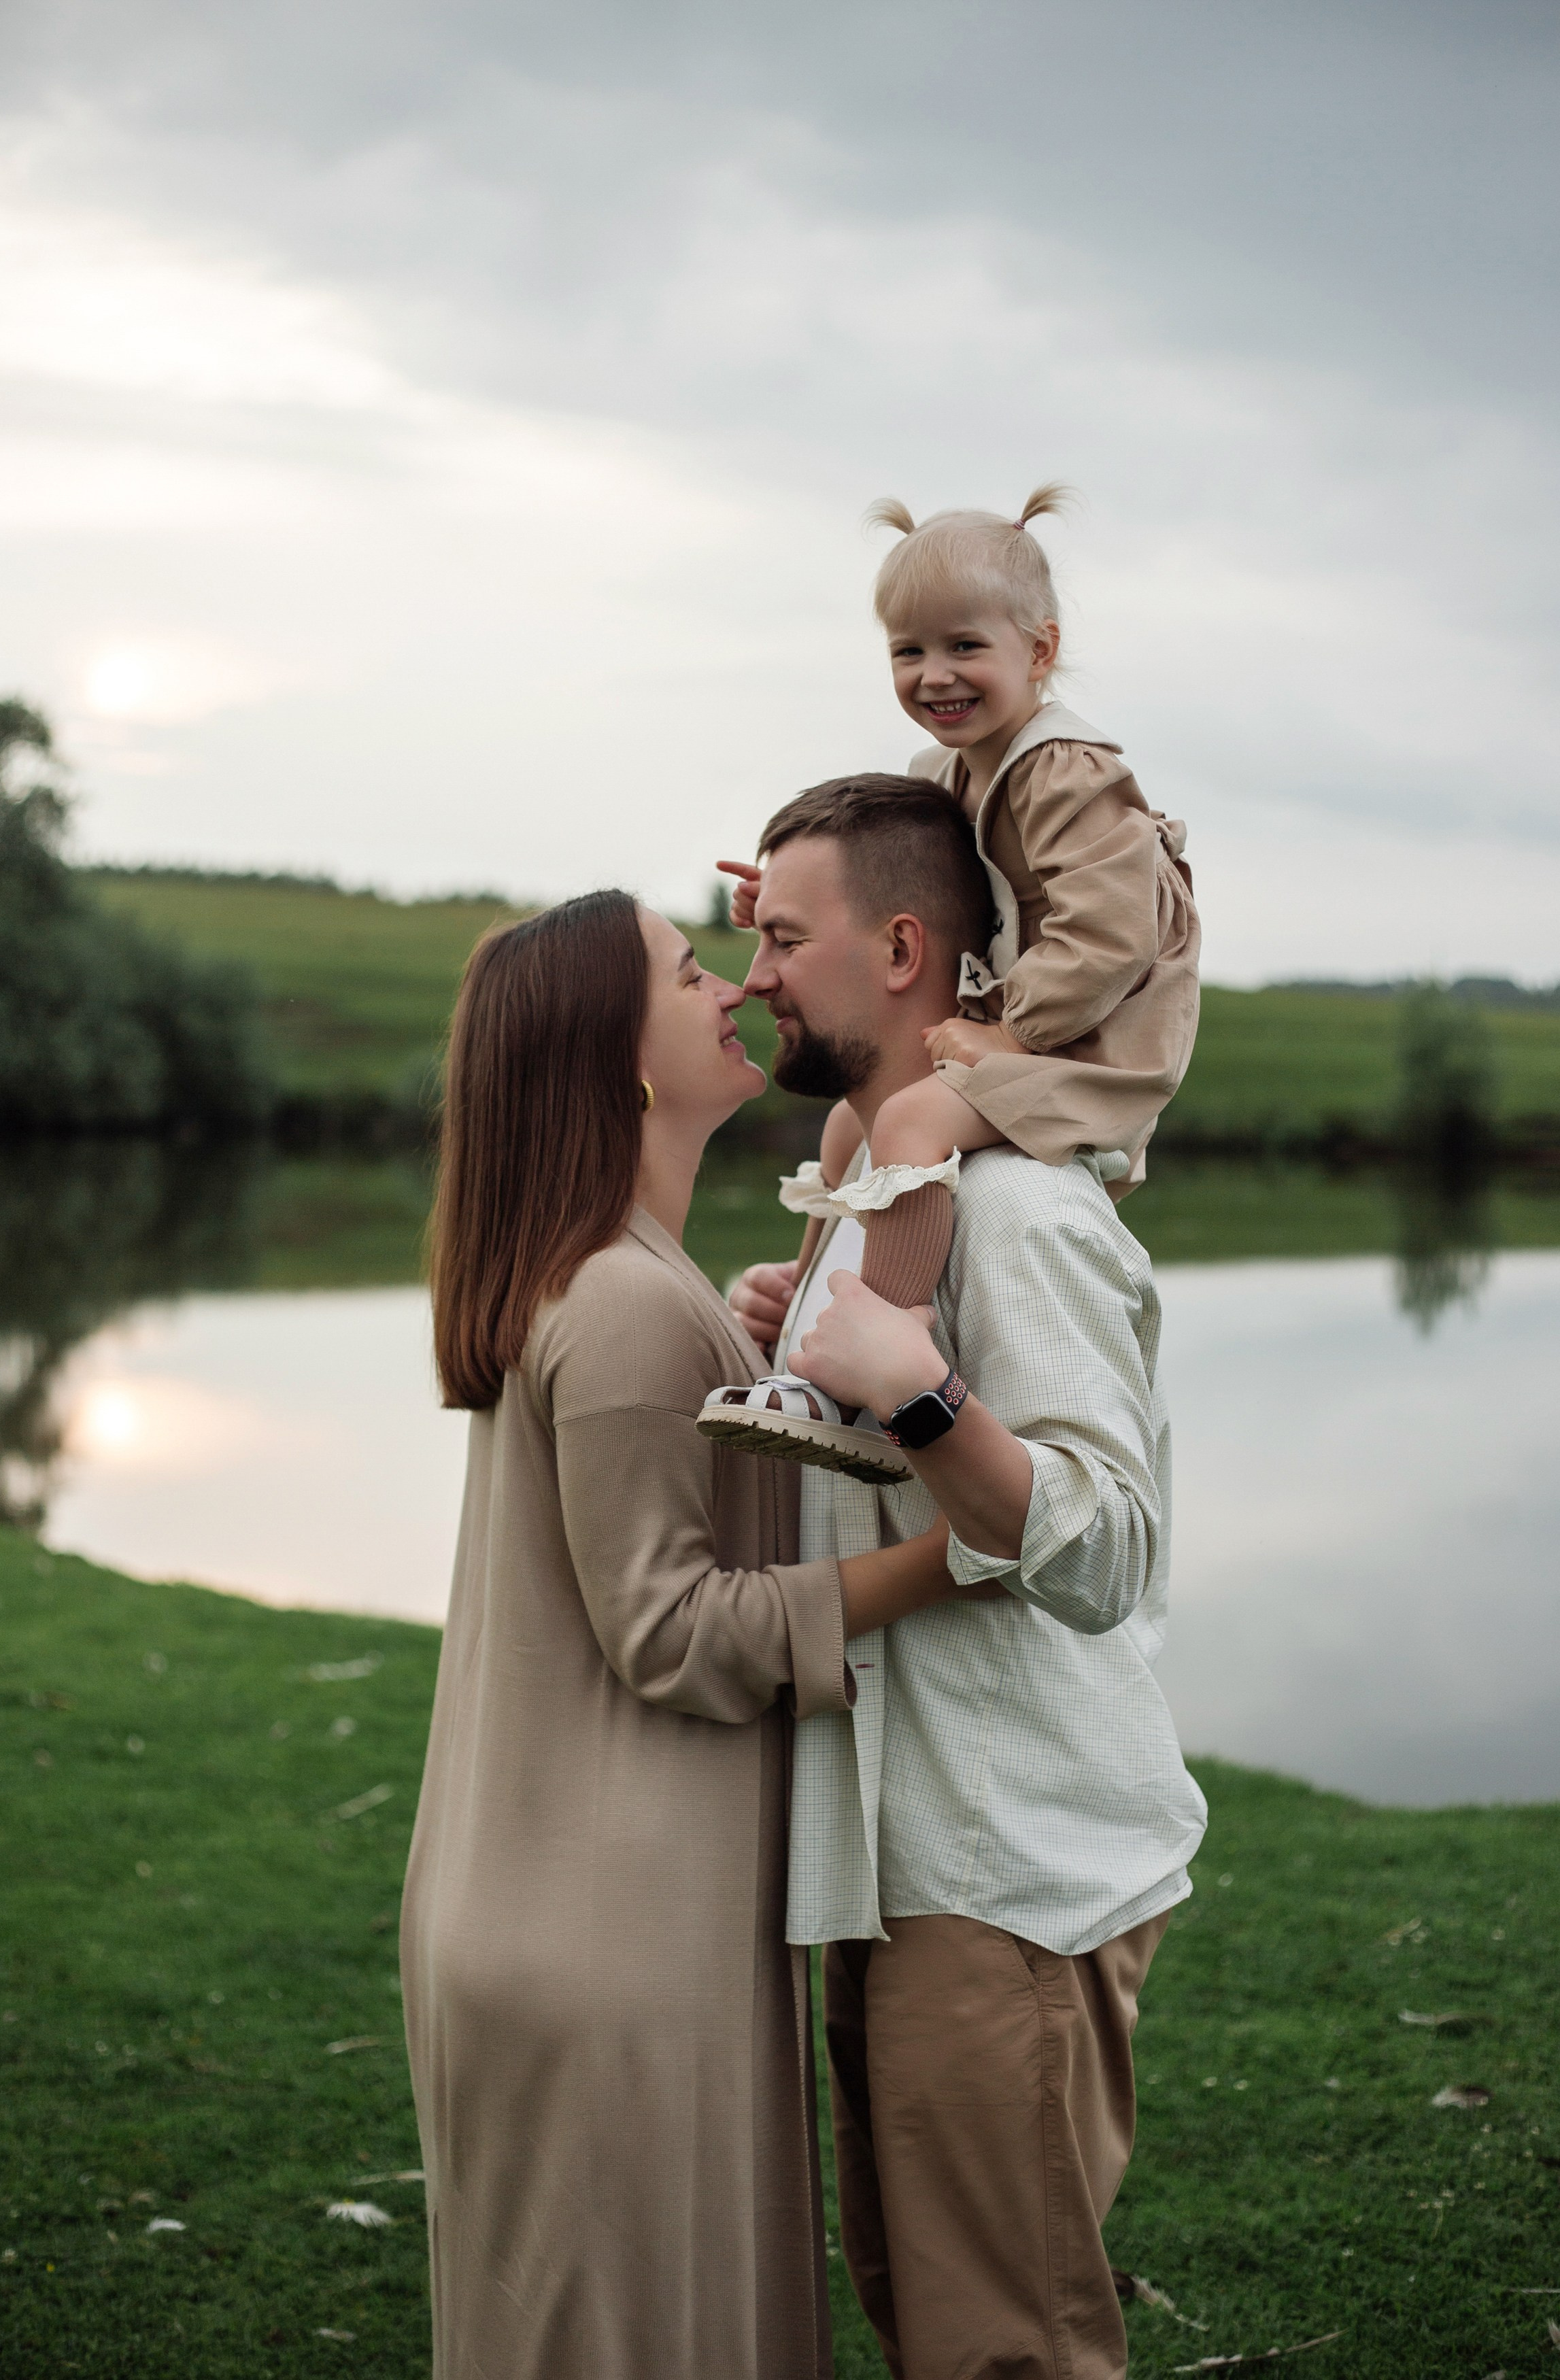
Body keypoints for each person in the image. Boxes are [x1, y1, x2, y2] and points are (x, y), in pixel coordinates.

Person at [400, 888, 989, 2380]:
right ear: (623, 1060)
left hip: (580, 1905)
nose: (732, 986)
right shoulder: (620, 1301)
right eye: (687, 974)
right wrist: (957, 1557)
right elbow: (669, 1629)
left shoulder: (626, 1279)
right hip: (610, 1934)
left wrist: (760, 1355)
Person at [715, 783, 1208, 2380]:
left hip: (1008, 1880)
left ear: (903, 949)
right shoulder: (884, 1201)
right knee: (926, 2322)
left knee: (1008, 2348)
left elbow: (1113, 1547)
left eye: (786, 938)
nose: (756, 974)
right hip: (893, 1863)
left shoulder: (1021, 1210)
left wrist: (926, 1398)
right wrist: (791, 1331)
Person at [713, 486, 1200, 1476]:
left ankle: (885, 1345)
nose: (934, 675)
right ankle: (812, 1327)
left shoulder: (1065, 771)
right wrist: (785, 902)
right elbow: (897, 877)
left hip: (1092, 1038)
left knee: (906, 1122)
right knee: (848, 1131)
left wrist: (1010, 1034)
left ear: (1040, 649)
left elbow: (1109, 938)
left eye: (964, 646)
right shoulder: (946, 773)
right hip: (1029, 1025)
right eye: (908, 651)